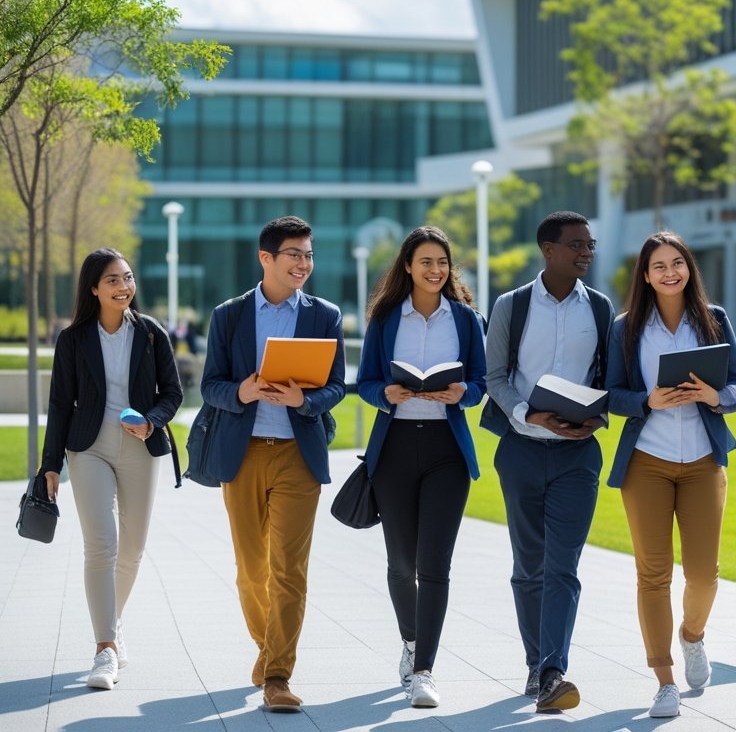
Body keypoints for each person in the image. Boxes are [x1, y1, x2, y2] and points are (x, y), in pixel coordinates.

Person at [199, 216, 345, 713]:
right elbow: (210, 385)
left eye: (309, 255)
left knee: (289, 569)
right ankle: (267, 646)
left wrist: (305, 400)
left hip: (297, 457)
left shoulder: (325, 315)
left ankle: (278, 675)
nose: (304, 263)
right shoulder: (230, 315)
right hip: (242, 456)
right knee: (250, 570)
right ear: (266, 258)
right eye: (294, 255)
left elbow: (336, 386)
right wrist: (241, 391)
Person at [604, 231, 736, 719]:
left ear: (689, 268)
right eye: (659, 266)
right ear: (646, 276)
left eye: (678, 263)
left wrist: (715, 396)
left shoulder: (714, 319)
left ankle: (693, 635)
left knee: (704, 574)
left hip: (704, 461)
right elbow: (611, 394)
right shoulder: (625, 328)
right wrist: (647, 400)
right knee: (653, 574)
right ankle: (664, 680)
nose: (670, 273)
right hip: (646, 461)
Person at [482, 211, 614, 712]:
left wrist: (596, 417)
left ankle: (553, 671)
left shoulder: (600, 308)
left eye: (590, 244)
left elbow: (608, 377)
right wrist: (528, 414)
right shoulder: (511, 306)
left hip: (578, 454)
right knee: (528, 567)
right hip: (520, 449)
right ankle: (538, 665)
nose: (586, 252)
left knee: (563, 566)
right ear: (548, 249)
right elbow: (495, 376)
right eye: (576, 244)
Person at [355, 225, 487, 710]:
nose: (435, 270)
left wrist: (463, 393)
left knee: (435, 565)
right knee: (401, 563)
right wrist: (385, 393)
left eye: (442, 262)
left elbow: (480, 382)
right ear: (408, 266)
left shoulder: (467, 320)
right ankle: (411, 642)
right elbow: (366, 382)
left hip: (446, 450)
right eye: (426, 262)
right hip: (394, 448)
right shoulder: (386, 318)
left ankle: (425, 670)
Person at [39, 248, 183, 690]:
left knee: (132, 549)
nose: (124, 287)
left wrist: (151, 421)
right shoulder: (73, 339)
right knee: (102, 545)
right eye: (113, 280)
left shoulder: (152, 334)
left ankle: (113, 623)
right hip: (89, 448)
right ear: (94, 289)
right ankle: (105, 648)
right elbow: (60, 403)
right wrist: (50, 464)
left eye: (128, 278)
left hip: (140, 447)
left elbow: (172, 393)